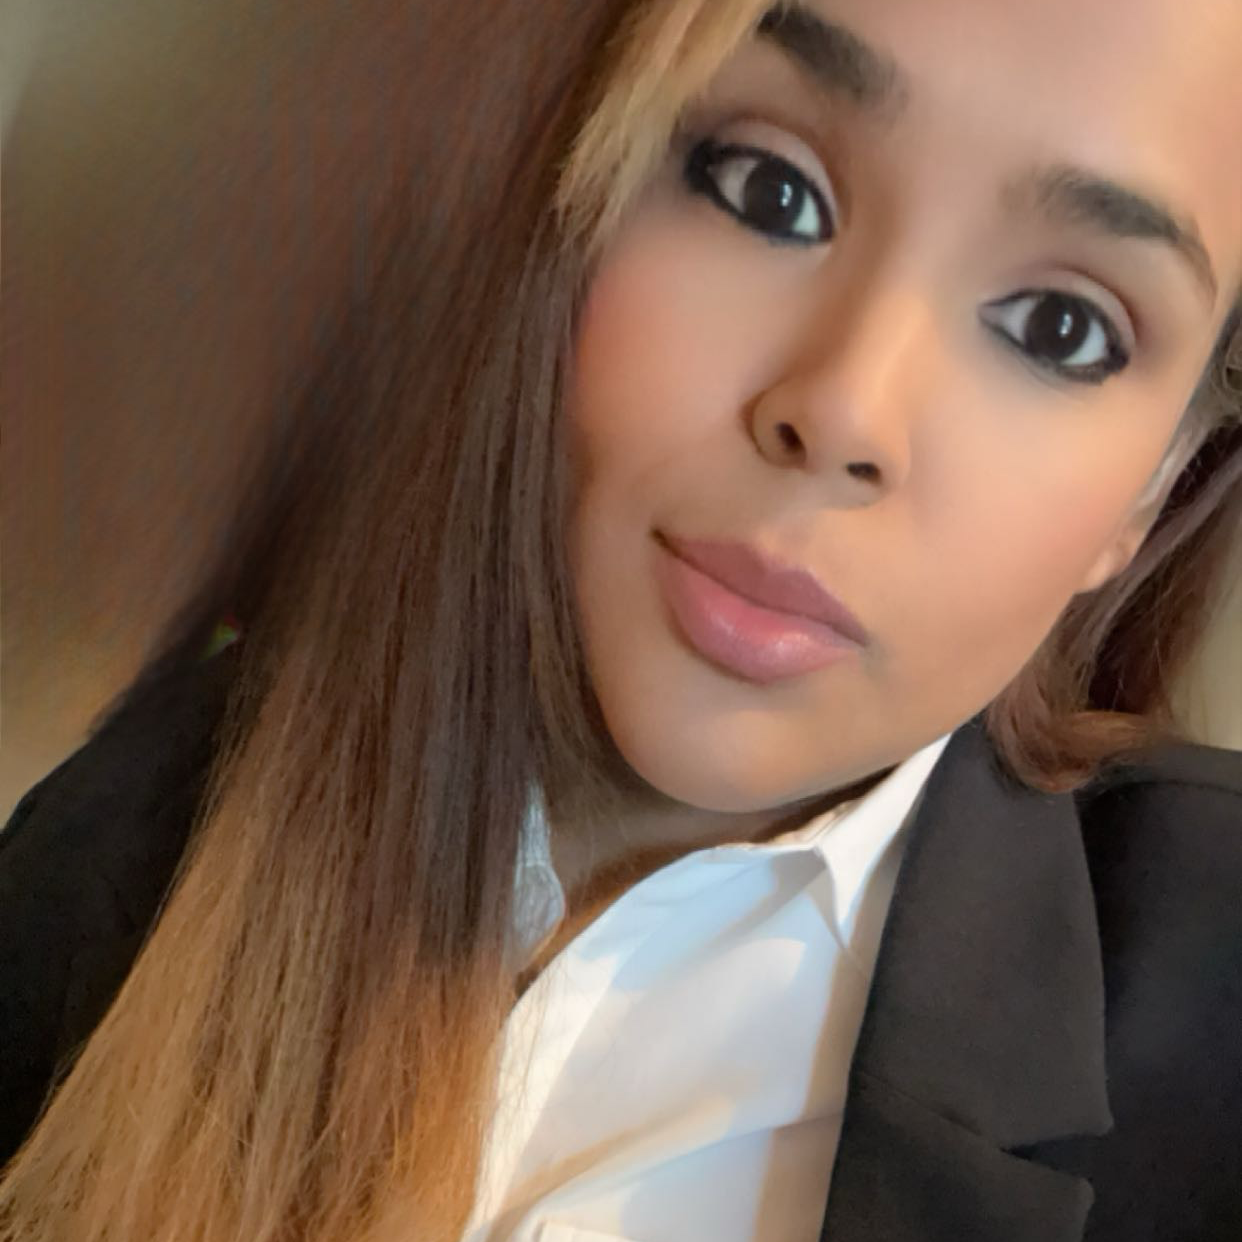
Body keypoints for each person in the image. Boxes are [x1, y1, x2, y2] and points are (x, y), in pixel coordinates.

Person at [1, 0, 1240, 1238]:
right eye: (765, 189)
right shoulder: (131, 839)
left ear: (1156, 486)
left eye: (1061, 330)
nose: (844, 412)